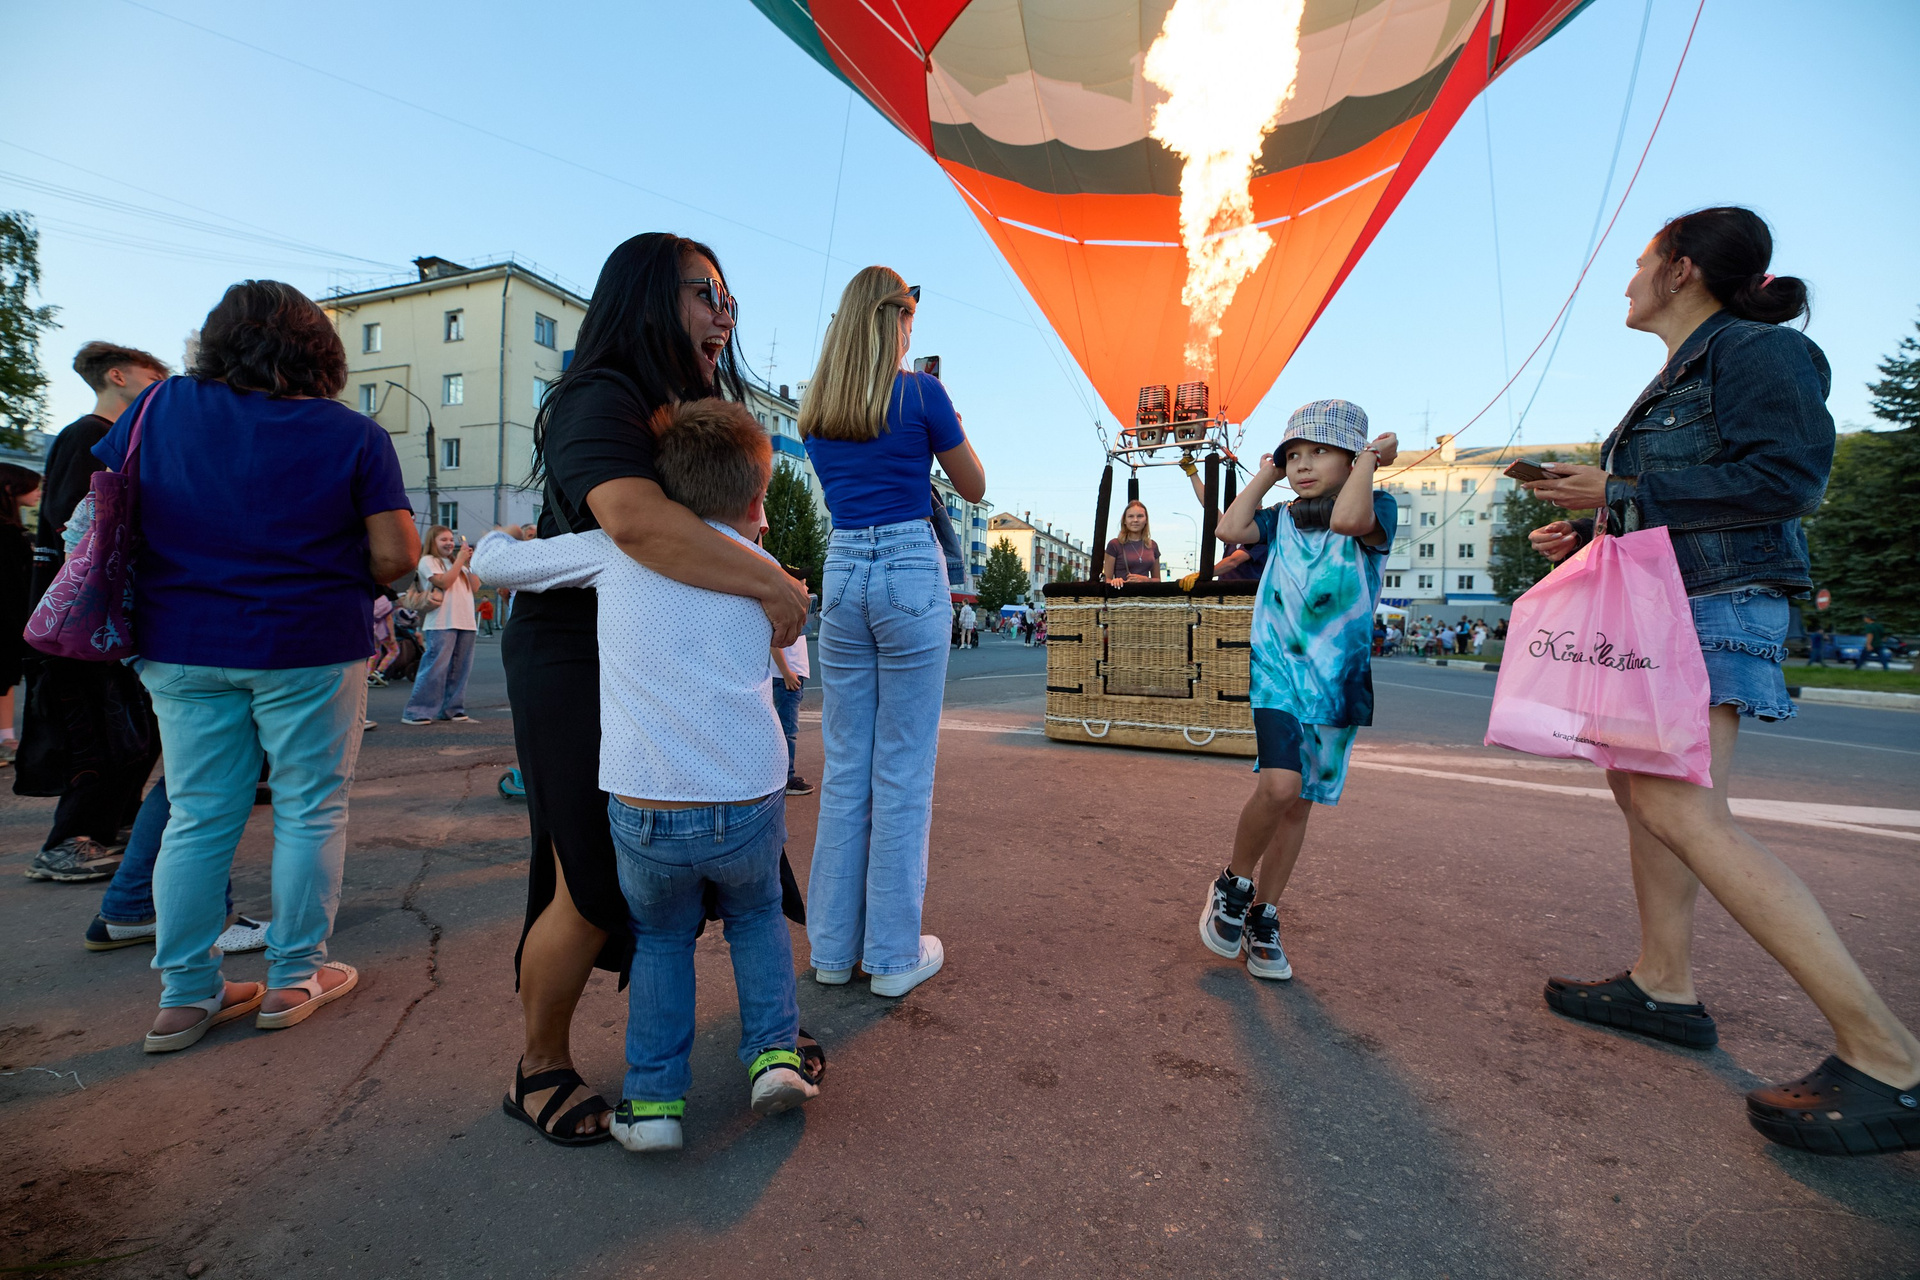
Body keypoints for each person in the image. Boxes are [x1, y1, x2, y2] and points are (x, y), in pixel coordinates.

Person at [1524, 205, 1920, 1154]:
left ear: (1683, 269)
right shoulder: (1682, 370)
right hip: (1670, 597)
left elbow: (1788, 480)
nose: (1627, 281)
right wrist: (1590, 527)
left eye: (1640, 262)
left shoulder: (1758, 350)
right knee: (1643, 794)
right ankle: (1664, 985)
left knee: (1683, 807)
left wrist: (1623, 490)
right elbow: (1693, 495)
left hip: (1716, 601)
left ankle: (1889, 1059)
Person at [501, 233, 808, 1145]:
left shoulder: (689, 406)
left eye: (729, 298)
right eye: (706, 292)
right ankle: (538, 1066)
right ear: (645, 296)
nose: (725, 314)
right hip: (576, 656)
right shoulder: (601, 396)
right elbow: (634, 523)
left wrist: (760, 571)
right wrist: (771, 585)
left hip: (660, 652)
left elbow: (707, 527)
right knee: (591, 880)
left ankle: (770, 1039)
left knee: (726, 874)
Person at [93, 280, 417, 1052]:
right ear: (319, 350)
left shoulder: (157, 407)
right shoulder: (353, 435)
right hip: (309, 643)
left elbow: (109, 505)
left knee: (198, 815)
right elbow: (397, 556)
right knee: (310, 808)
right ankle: (295, 976)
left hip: (180, 640)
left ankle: (185, 996)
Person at [801, 265, 985, 998]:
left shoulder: (816, 408)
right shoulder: (923, 395)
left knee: (847, 766)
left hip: (844, 566)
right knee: (903, 768)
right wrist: (949, 419)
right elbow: (973, 486)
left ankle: (831, 950)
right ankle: (892, 955)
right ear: (899, 320)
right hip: (909, 563)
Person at [1199, 402, 1397, 980]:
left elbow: (1349, 520)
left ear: (1352, 458)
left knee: (1299, 804)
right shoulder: (1280, 518)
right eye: (1294, 456)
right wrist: (1266, 472)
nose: (1303, 465)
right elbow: (1229, 529)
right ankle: (1233, 884)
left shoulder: (1378, 507)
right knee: (1280, 785)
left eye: (1319, 452)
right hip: (1278, 670)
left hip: (1337, 680)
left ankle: (1264, 915)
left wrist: (1369, 461)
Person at [19, 342, 168, 882]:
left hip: (99, 618)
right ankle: (68, 843)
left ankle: (112, 823)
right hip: (83, 622)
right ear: (117, 376)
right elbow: (76, 524)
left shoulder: (115, 437)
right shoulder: (89, 434)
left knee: (132, 729)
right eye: (153, 376)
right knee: (98, 731)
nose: (160, 386)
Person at [401, 526, 479, 724]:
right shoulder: (428, 560)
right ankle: (416, 711)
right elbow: (444, 582)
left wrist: (470, 563)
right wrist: (460, 560)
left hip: (466, 621)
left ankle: (452, 709)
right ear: (432, 541)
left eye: (451, 539)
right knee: (435, 668)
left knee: (460, 669)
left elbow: (475, 587)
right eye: (443, 539)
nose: (449, 543)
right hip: (441, 621)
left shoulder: (456, 563)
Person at [0, 464, 42, 766]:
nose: (39, 492)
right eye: (32, 486)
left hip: (9, 618)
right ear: (9, 489)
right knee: (4, 677)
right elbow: (15, 585)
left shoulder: (11, 532)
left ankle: (7, 739)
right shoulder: (8, 535)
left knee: (4, 681)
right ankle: (6, 739)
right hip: (8, 618)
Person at [769, 560, 814, 797]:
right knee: (787, 730)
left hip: (792, 675)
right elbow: (774, 643)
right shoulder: (784, 609)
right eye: (803, 583)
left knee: (787, 729)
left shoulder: (796, 609)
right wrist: (786, 673)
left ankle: (784, 776)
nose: (807, 587)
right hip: (787, 677)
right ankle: (785, 779)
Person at [1105, 501, 1161, 585]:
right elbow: (1106, 579)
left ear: (1146, 520)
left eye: (1140, 516)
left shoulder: (1153, 545)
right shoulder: (1114, 544)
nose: (1135, 520)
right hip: (1122, 592)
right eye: (1131, 516)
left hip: (1146, 592)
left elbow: (1158, 580)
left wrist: (1146, 580)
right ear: (1124, 520)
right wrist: (1115, 581)